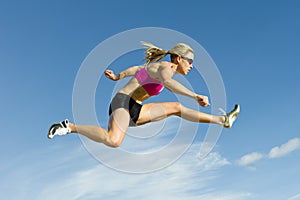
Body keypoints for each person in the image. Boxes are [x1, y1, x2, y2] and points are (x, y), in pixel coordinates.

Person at [48, 41, 240, 147]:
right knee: (113, 141)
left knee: (176, 108)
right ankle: (69, 126)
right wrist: (194, 96)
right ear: (179, 58)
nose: (191, 66)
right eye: (190, 61)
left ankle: (222, 119)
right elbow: (168, 83)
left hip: (136, 109)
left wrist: (117, 77)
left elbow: (135, 69)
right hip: (122, 103)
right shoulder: (166, 67)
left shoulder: (155, 68)